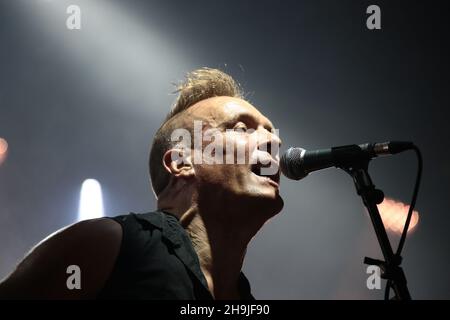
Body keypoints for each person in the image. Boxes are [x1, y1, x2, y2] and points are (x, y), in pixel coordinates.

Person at [0, 68, 283, 299]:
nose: (275, 141)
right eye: (241, 129)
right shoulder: (108, 245)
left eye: (271, 132)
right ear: (181, 163)